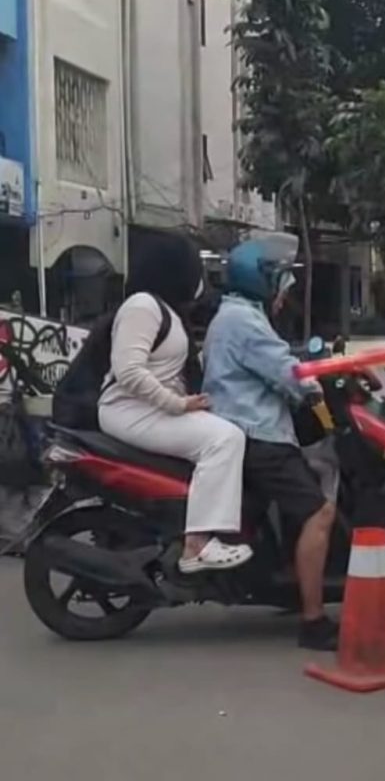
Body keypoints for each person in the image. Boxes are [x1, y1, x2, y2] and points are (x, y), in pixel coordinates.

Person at [203, 237, 339, 652]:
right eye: (280, 282)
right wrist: (316, 387)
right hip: (259, 436)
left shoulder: (235, 315)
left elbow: (278, 359)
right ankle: (314, 621)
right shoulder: (244, 321)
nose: (284, 292)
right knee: (319, 512)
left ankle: (286, 580)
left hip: (243, 431)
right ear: (261, 281)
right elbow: (287, 372)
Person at [98, 235, 252, 574]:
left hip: (148, 408)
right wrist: (176, 404)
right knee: (224, 439)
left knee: (227, 431)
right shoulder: (142, 306)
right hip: (129, 410)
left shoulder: (165, 309)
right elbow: (128, 371)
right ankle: (197, 544)